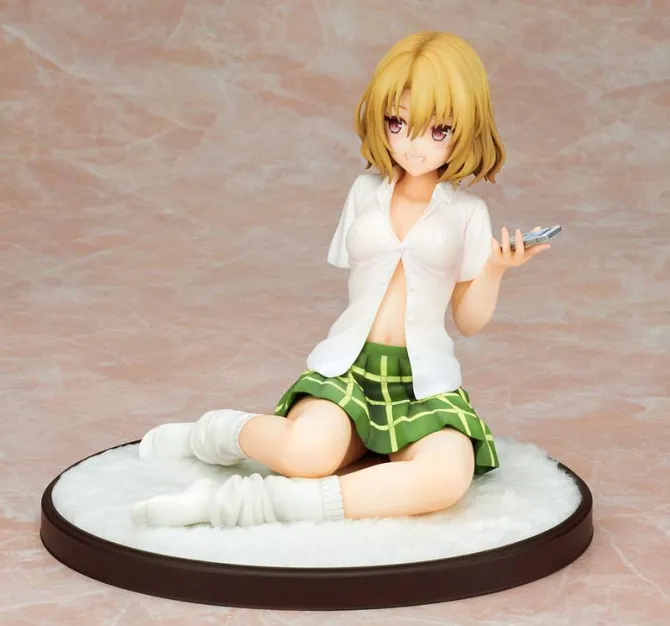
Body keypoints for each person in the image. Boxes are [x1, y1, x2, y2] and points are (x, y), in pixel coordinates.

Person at [130, 31, 551, 529]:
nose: (413, 145)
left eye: (438, 130)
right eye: (398, 123)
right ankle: (212, 435)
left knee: (447, 477)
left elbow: (469, 320)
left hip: (423, 381)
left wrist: (495, 269)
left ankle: (261, 505)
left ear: (467, 127)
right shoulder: (364, 192)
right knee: (307, 452)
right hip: (349, 367)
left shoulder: (467, 212)